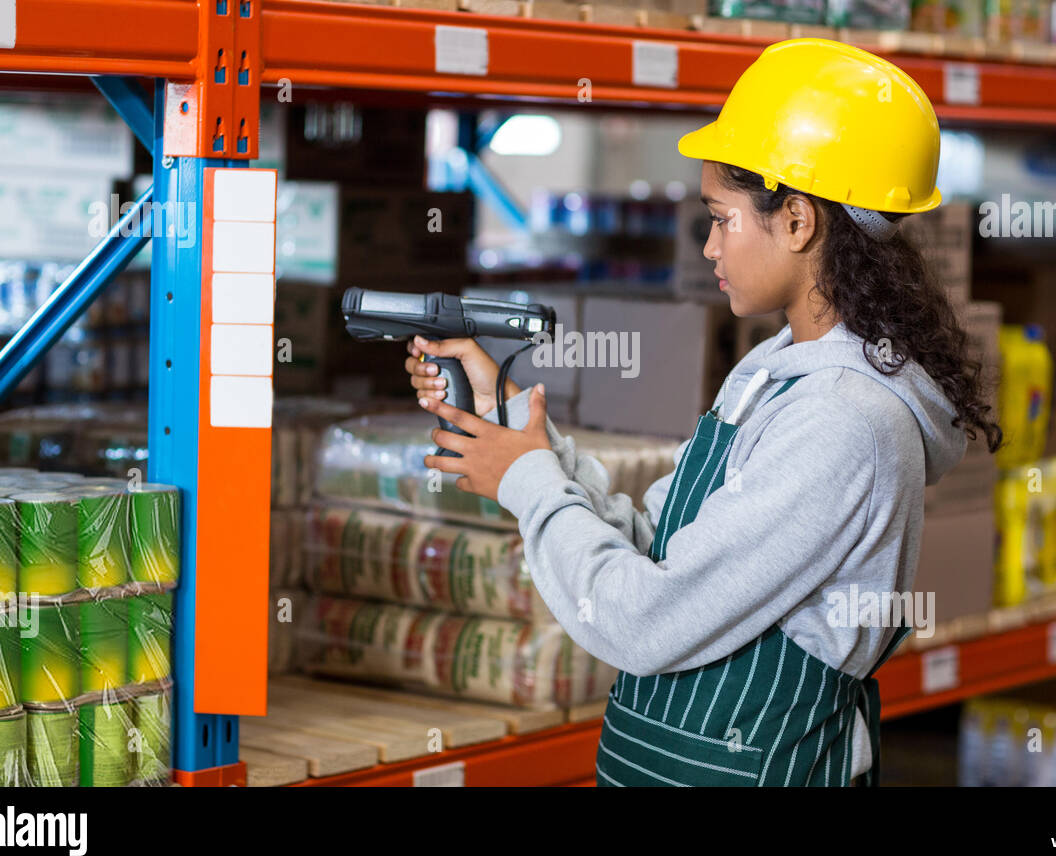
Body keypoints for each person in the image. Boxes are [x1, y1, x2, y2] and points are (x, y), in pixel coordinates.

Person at [407, 38, 1002, 787]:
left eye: (721, 218)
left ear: (797, 220)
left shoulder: (846, 423)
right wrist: (512, 421)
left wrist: (527, 481)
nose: (710, 245)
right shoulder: (774, 371)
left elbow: (642, 617)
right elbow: (661, 548)